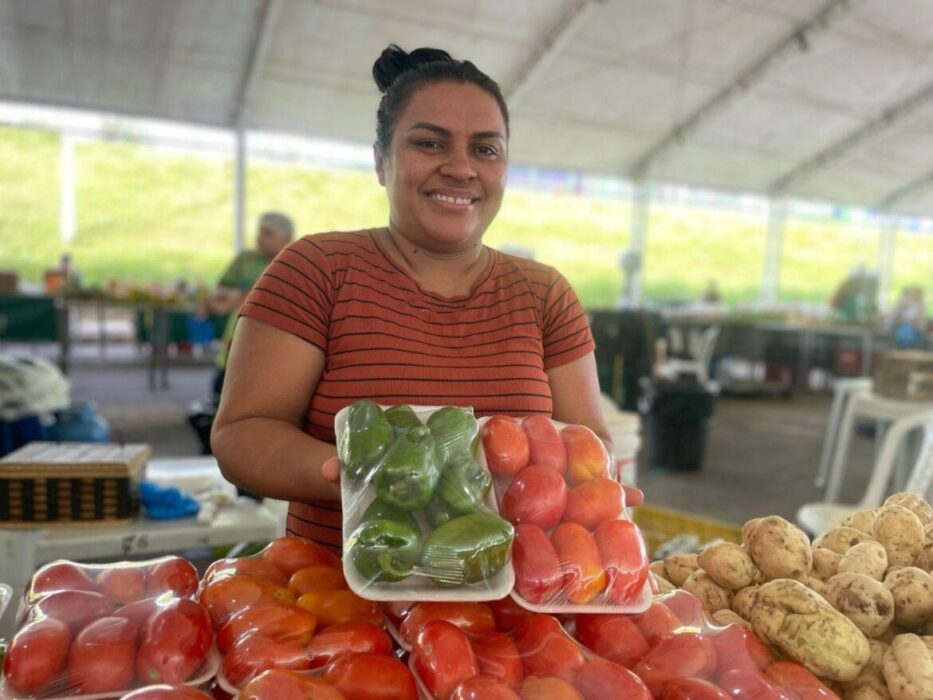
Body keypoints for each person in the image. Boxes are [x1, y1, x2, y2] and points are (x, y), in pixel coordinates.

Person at [211, 45, 643, 553]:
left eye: (485, 150)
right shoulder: (316, 270)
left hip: (511, 605)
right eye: (431, 144)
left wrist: (590, 489)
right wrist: (364, 478)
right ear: (380, 161)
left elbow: (590, 447)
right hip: (338, 603)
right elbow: (244, 433)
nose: (461, 168)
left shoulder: (545, 293)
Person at [209, 211, 294, 399]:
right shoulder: (246, 259)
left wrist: (243, 297)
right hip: (234, 342)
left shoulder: (296, 264)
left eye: (268, 233)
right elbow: (221, 290)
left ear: (285, 238)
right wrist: (229, 298)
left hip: (275, 352)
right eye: (260, 232)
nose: (259, 238)